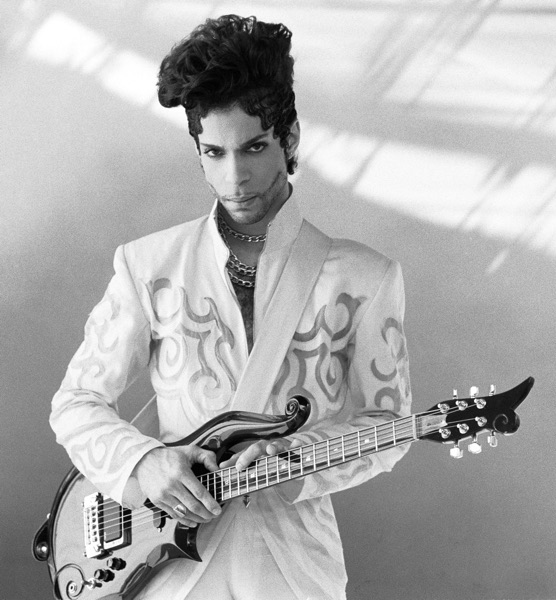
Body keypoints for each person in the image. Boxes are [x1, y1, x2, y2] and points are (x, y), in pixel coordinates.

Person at [49, 14, 412, 600]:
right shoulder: (149, 265)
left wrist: (295, 456)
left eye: (254, 148)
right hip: (166, 568)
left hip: (295, 566)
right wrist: (144, 463)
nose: (236, 177)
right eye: (214, 152)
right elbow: (75, 403)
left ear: (290, 139)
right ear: (197, 149)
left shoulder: (366, 278)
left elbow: (391, 426)